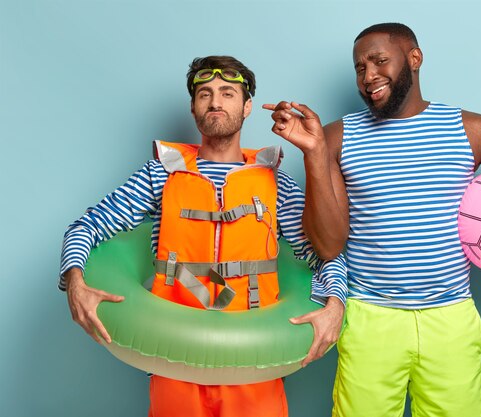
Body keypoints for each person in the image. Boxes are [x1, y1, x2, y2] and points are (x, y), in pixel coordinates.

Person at [265, 23, 481, 417]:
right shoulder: (336, 137)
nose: (369, 76)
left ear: (414, 58)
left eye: (379, 61)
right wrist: (314, 154)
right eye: (359, 68)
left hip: (451, 320)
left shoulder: (473, 131)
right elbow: (329, 244)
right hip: (369, 318)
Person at [59, 55, 347, 417]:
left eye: (228, 93)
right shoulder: (160, 173)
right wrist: (74, 279)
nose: (215, 101)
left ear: (247, 107)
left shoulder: (275, 182)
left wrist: (335, 303)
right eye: (205, 94)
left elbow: (324, 253)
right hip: (174, 354)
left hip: (254, 357)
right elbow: (87, 225)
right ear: (194, 108)